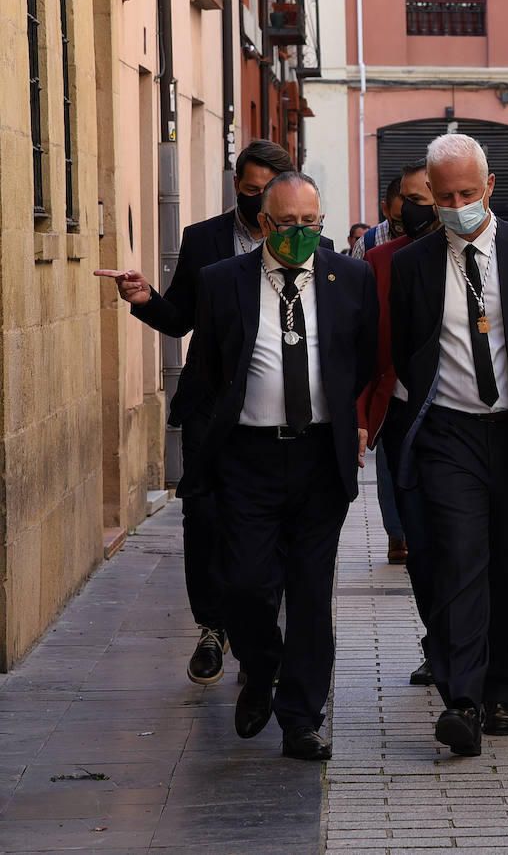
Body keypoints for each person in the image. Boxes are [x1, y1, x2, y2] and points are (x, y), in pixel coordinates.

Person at [389, 134, 508, 756]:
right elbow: (409, 350)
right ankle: (462, 700)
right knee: (457, 562)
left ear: (490, 187)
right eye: (445, 197)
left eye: (468, 193)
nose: (457, 205)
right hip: (450, 435)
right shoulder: (415, 264)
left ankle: (501, 692)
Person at [182, 171, 378, 761]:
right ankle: (261, 666)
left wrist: (350, 422)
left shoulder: (352, 278)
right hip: (248, 459)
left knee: (312, 594)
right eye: (288, 223)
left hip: (320, 457)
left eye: (311, 224)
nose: (301, 234)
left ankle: (300, 718)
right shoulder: (222, 282)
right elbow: (211, 369)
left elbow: (362, 357)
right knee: (245, 583)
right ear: (264, 223)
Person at [94, 138, 298, 687]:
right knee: (204, 518)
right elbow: (181, 318)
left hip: (276, 403)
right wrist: (144, 300)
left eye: (269, 195)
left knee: (270, 523)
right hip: (211, 402)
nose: (260, 206)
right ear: (237, 186)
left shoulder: (304, 241)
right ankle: (211, 629)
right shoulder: (204, 238)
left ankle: (259, 630)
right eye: (251, 192)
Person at [356, 158, 440, 686]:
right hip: (404, 409)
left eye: (428, 200)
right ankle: (439, 641)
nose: (418, 210)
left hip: (469, 414)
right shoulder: (378, 259)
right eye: (410, 199)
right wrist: (362, 417)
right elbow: (365, 341)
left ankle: (464, 645)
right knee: (421, 541)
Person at [351, 176, 404, 258]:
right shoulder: (365, 245)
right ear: (385, 209)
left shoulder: (426, 234)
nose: (407, 223)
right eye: (399, 217)